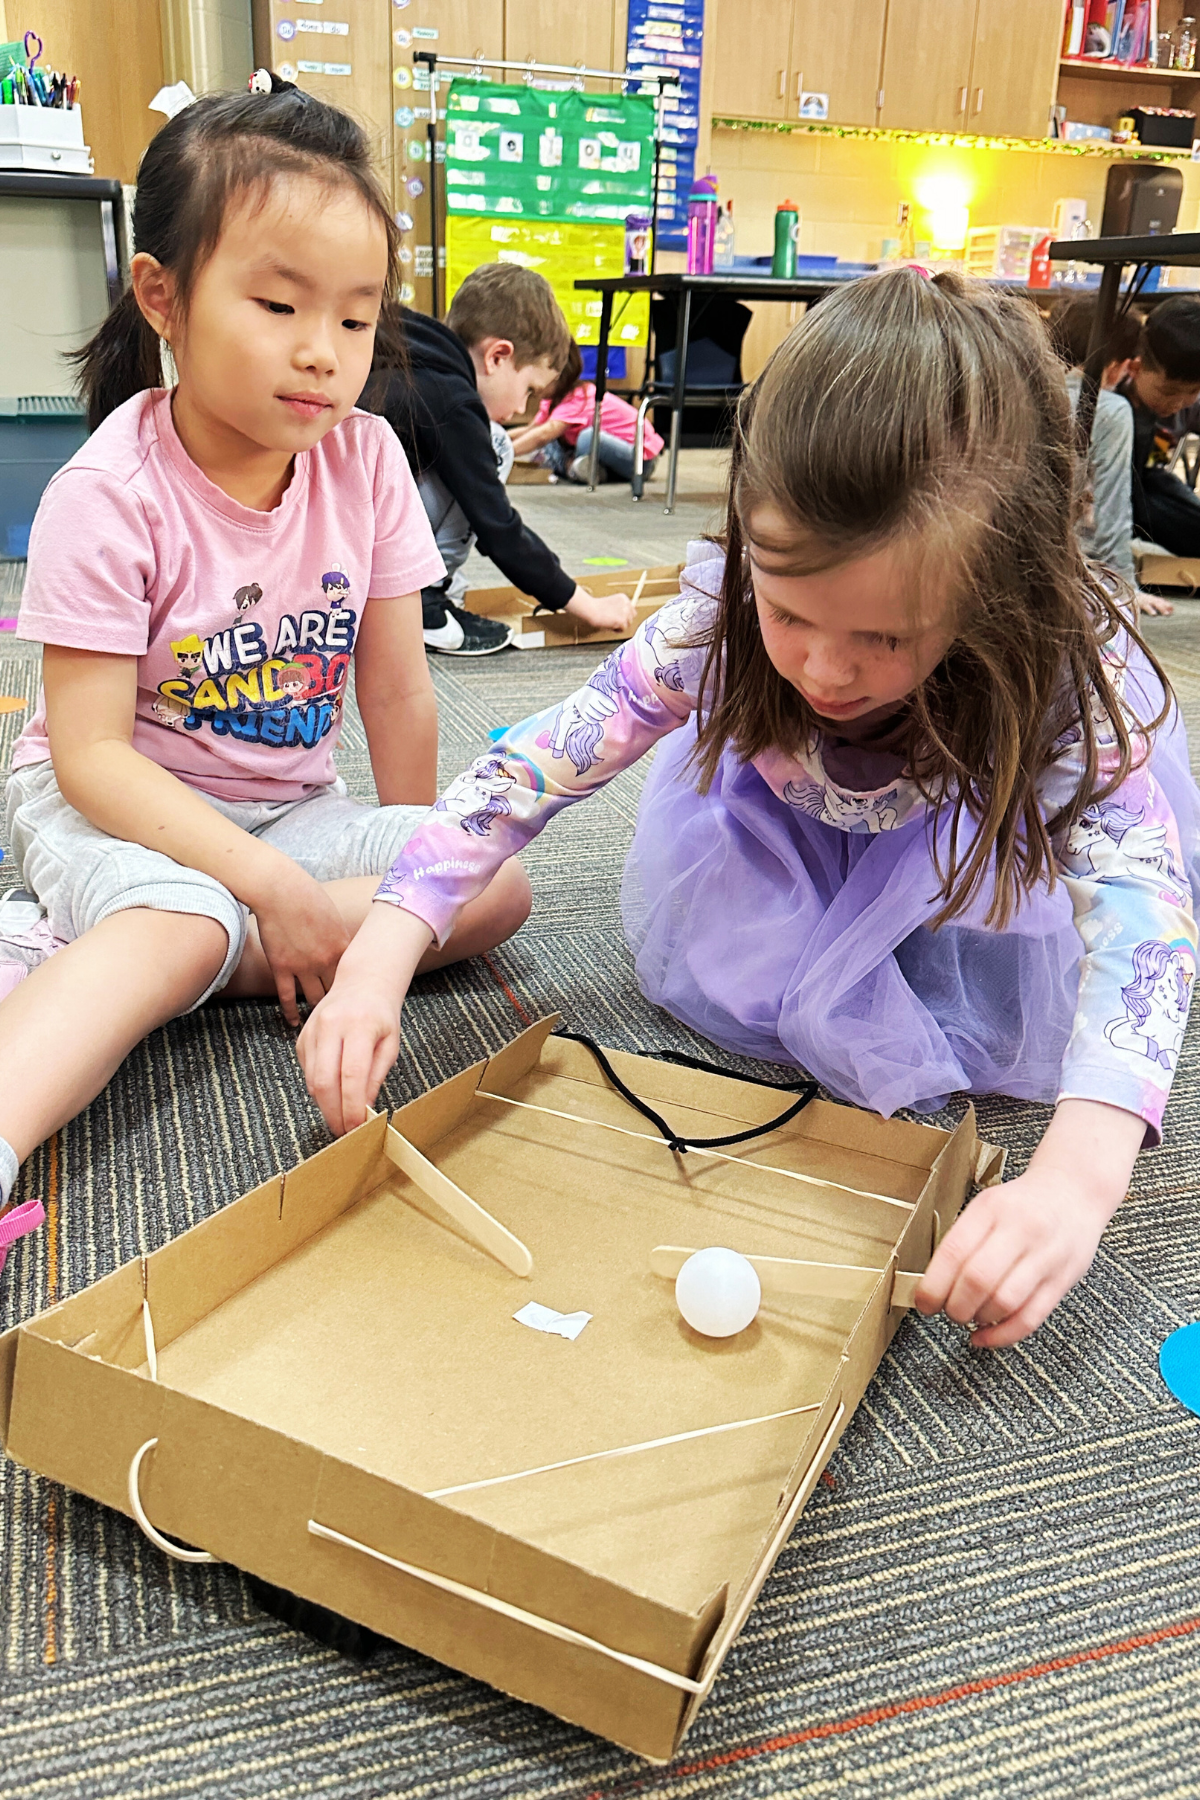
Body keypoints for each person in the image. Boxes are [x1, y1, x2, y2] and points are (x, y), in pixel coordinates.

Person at [298, 269, 1200, 1353]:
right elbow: (535, 767)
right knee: (763, 957)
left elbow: (1144, 916)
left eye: (887, 635)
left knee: (995, 980)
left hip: (956, 852)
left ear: (989, 593)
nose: (824, 666)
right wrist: (380, 952)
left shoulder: (1044, 673)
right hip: (790, 834)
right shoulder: (715, 628)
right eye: (790, 611)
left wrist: (1074, 1183)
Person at [0, 79, 531, 1232]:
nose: (322, 355)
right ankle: (121, 973)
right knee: (180, 919)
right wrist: (283, 896)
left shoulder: (370, 458)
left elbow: (396, 689)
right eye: (279, 306)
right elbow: (89, 756)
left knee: (493, 881)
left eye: (353, 319)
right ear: (164, 297)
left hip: (288, 813)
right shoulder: (107, 494)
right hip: (115, 809)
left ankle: (144, 965)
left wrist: (405, 881)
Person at [365, 265, 635, 657]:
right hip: (359, 547)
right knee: (497, 444)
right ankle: (423, 603)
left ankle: (418, 589)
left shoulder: (412, 352)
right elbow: (498, 527)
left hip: (330, 543)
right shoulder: (452, 400)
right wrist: (584, 604)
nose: (522, 407)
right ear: (497, 356)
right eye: (529, 390)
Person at [1046, 295, 1173, 616]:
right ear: (1116, 366)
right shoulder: (1110, 409)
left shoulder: (1025, 387)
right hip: (1065, 570)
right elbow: (1112, 503)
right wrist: (1125, 587)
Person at [509, 340, 665, 485]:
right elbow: (532, 429)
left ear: (558, 376)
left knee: (586, 437)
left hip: (639, 461)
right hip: (603, 458)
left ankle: (573, 468)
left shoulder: (579, 397)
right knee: (550, 442)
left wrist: (504, 454)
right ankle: (588, 470)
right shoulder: (550, 400)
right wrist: (498, 439)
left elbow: (543, 434)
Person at [1119, 295, 1200, 555]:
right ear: (1135, 367)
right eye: (1168, 391)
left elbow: (1156, 475)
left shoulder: (1188, 407)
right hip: (1112, 492)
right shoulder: (1113, 407)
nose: (1178, 403)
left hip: (1151, 481)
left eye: (1194, 391)